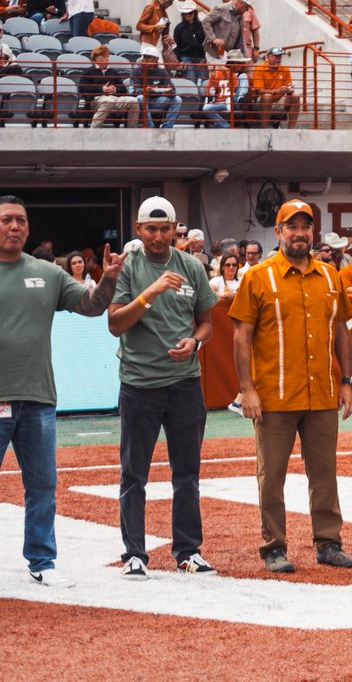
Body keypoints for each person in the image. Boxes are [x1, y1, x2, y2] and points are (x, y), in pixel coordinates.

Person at [229, 199, 352, 573]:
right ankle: (274, 546)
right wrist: (247, 389)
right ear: (278, 232)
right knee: (272, 475)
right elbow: (241, 338)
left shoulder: (331, 276)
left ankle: (328, 543)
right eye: (292, 226)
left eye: (306, 226)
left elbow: (341, 331)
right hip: (273, 395)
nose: (299, 233)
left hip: (320, 394)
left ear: (313, 232)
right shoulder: (258, 276)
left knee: (324, 473)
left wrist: (348, 381)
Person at [0, 194, 124, 588]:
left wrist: (108, 279)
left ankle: (42, 561)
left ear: (29, 227)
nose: (14, 226)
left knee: (43, 486)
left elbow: (91, 307)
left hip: (38, 398)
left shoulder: (48, 274)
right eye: (6, 220)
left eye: (20, 220)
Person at [107, 196, 218, 580]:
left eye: (164, 228)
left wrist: (196, 342)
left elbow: (206, 322)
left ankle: (188, 551)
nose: (158, 236)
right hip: (139, 384)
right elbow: (116, 323)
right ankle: (134, 553)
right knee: (133, 473)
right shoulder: (128, 268)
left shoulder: (192, 266)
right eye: (150, 229)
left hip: (185, 383)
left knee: (186, 473)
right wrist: (150, 292)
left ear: (176, 229)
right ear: (138, 230)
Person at [80, 45, 140, 128]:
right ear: (96, 59)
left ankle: (132, 131)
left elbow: (123, 89)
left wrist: (115, 90)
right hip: (96, 99)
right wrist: (102, 89)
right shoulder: (88, 72)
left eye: (107, 57)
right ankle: (93, 131)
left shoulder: (113, 72)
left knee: (133, 101)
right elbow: (82, 89)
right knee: (108, 101)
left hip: (115, 98)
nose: (106, 59)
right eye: (103, 57)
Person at [133, 46, 182, 129]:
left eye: (149, 57)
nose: (146, 60)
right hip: (142, 100)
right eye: (145, 57)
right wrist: (145, 90)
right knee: (141, 98)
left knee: (177, 99)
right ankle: (150, 127)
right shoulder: (136, 71)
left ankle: (167, 128)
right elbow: (134, 91)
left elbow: (173, 90)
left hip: (157, 100)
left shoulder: (162, 71)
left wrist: (169, 92)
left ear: (156, 59)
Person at [250, 47, 300, 129]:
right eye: (276, 56)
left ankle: (291, 130)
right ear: (268, 56)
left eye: (280, 56)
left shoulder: (285, 69)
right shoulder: (260, 69)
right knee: (267, 97)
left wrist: (289, 89)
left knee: (295, 97)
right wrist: (276, 91)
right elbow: (259, 91)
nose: (279, 59)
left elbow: (290, 87)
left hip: (279, 98)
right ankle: (264, 129)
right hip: (263, 100)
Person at [173, 0, 207, 82]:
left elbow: (206, 43)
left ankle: (202, 95)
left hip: (200, 57)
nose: (188, 15)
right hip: (186, 57)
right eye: (185, 14)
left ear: (194, 13)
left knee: (204, 80)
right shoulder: (179, 28)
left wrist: (204, 57)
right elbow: (176, 45)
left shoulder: (202, 27)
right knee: (191, 81)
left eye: (190, 13)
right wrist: (179, 61)